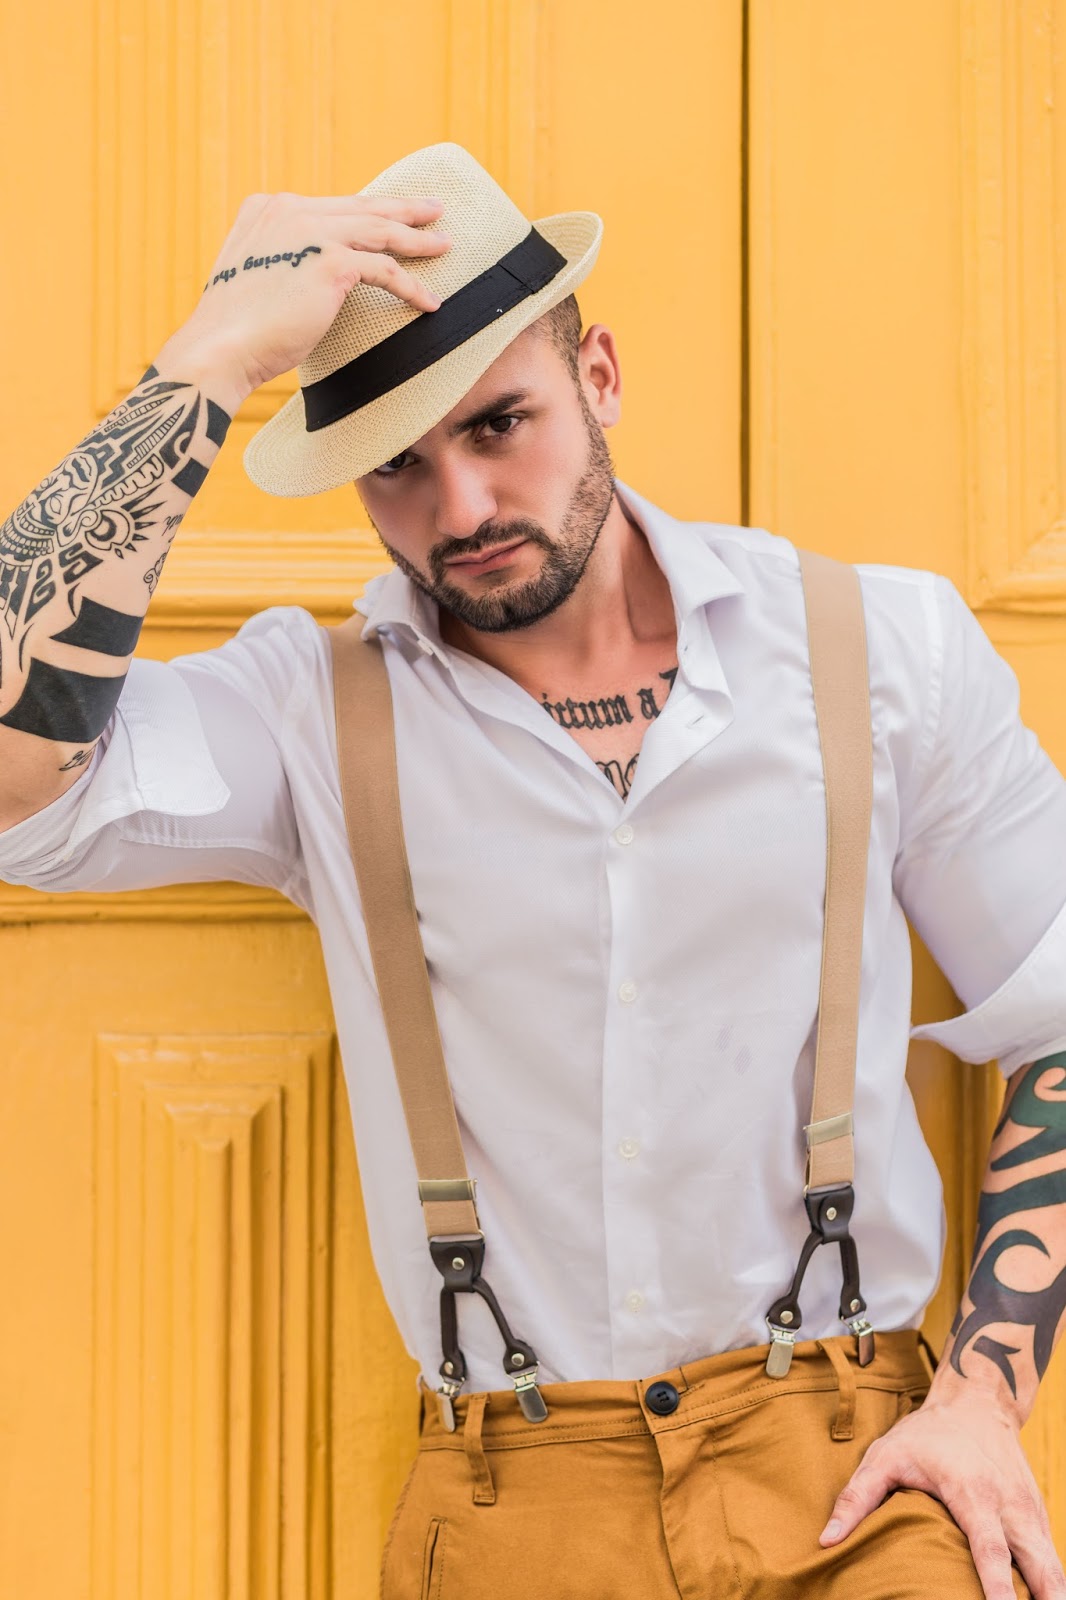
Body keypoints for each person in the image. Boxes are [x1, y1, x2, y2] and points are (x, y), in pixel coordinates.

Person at [0, 140, 1064, 1600]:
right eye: (396, 466)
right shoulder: (310, 711)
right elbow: (14, 773)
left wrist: (984, 1398)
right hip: (516, 1501)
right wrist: (208, 360)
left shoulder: (879, 650)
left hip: (855, 1472)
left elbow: (1059, 1010)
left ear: (600, 377)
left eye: (500, 424)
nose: (460, 509)